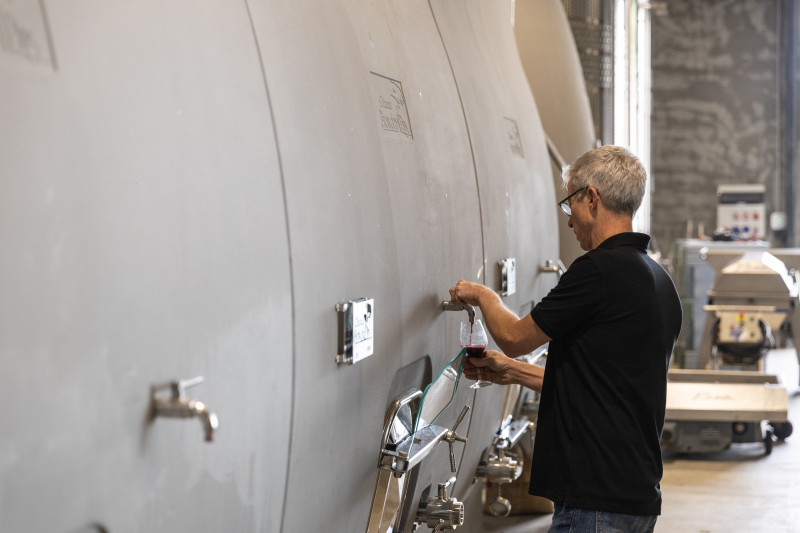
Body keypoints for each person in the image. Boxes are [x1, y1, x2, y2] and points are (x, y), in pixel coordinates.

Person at [449, 145, 682, 533]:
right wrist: (512, 372)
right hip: (635, 495)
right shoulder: (658, 281)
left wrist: (482, 295)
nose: (569, 221)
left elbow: (513, 336)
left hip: (593, 499)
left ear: (591, 198)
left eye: (569, 203)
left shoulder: (597, 270)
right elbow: (606, 388)